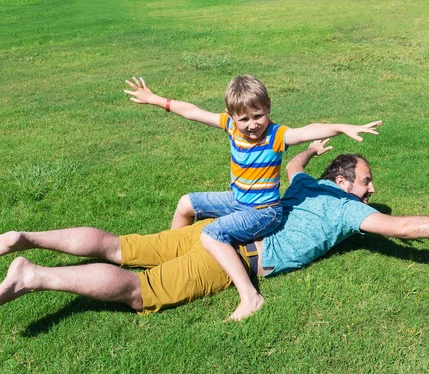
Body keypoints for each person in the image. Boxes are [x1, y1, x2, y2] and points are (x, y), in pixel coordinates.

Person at [0, 140, 429, 323]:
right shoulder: (344, 210)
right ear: (345, 181)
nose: (371, 191)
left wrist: (308, 151)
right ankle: (34, 274)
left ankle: (27, 236)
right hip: (238, 252)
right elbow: (402, 228)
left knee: (122, 246)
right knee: (143, 291)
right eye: (367, 182)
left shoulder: (308, 184)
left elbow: (292, 167)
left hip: (221, 226)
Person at [124, 75, 381, 320]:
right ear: (231, 115)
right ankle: (173, 257)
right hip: (238, 200)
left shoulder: (277, 136)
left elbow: (307, 130)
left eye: (258, 116)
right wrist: (156, 99)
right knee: (186, 203)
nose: (252, 124)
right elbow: (193, 112)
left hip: (264, 212)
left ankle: (250, 296)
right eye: (244, 119)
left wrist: (342, 127)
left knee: (212, 234)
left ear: (268, 108)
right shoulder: (231, 126)